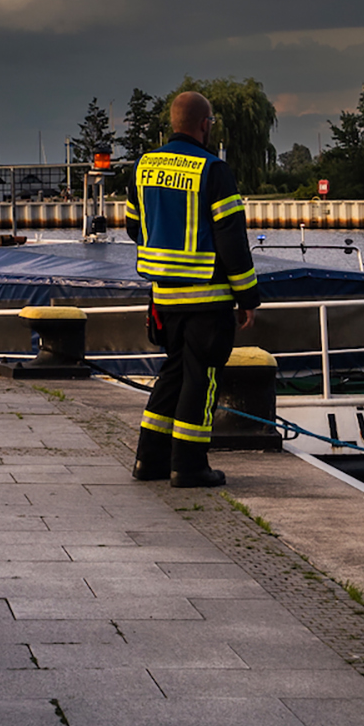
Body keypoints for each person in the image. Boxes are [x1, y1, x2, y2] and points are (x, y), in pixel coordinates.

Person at [125, 90, 257, 488]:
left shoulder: (143, 167)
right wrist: (248, 296)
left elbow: (135, 225)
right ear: (204, 124)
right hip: (207, 297)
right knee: (201, 380)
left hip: (164, 296)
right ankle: (189, 465)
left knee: (173, 375)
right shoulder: (213, 170)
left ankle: (150, 460)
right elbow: (232, 238)